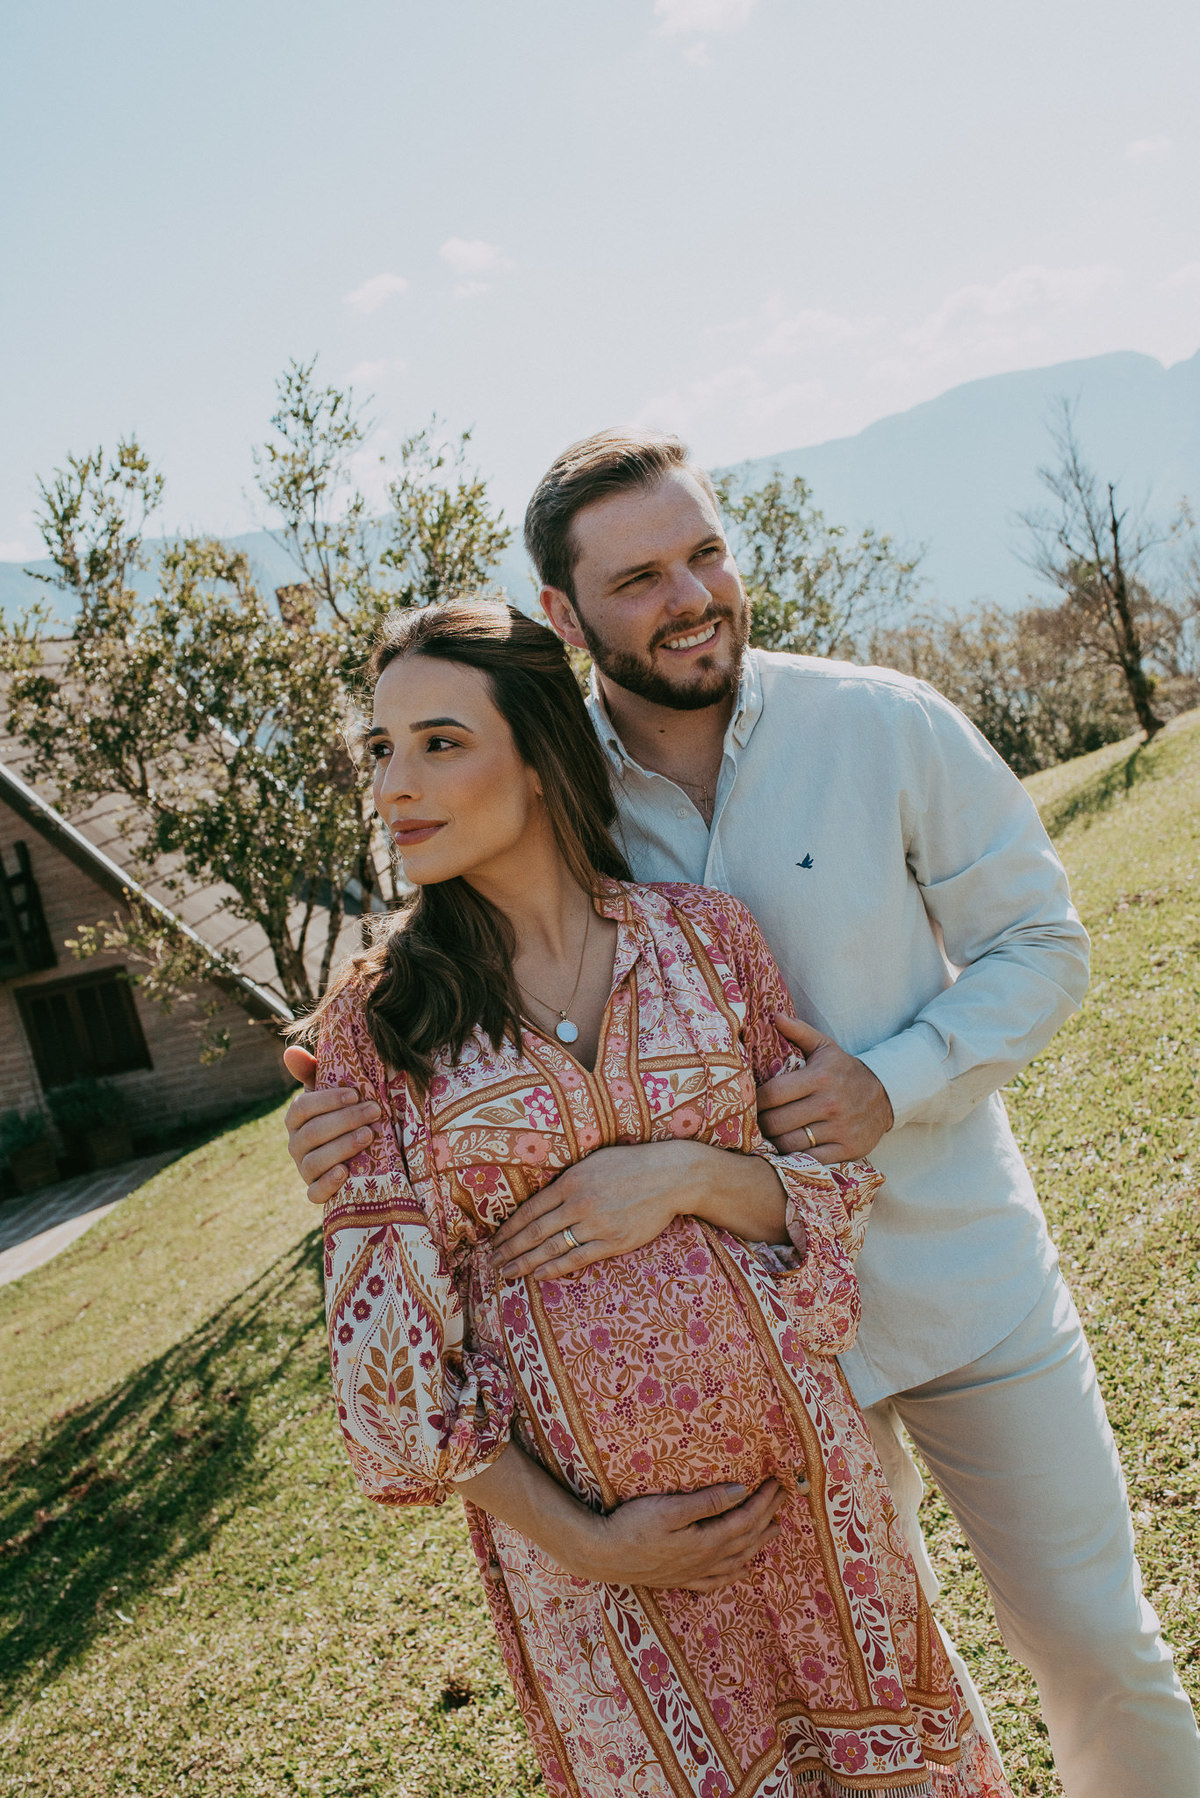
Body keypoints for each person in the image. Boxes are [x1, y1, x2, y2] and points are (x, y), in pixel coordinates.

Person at [288, 432, 1200, 1797]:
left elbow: (1043, 939)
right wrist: (331, 1100)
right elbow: (458, 897)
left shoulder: (879, 722)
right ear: (565, 613)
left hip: (958, 1283)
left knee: (1087, 1638)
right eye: (641, 574)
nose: (691, 594)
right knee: (880, 1676)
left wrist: (885, 1080)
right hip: (764, 1405)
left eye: (706, 552)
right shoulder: (551, 771)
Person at [300, 597, 1012, 1798]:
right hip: (603, 1588)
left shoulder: (707, 943)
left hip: (811, 1505)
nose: (393, 788)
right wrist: (598, 1544)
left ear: (538, 756)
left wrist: (689, 1177)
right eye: (382, 750)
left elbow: (827, 1195)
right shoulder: (378, 1034)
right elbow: (392, 1376)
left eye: (437, 742)